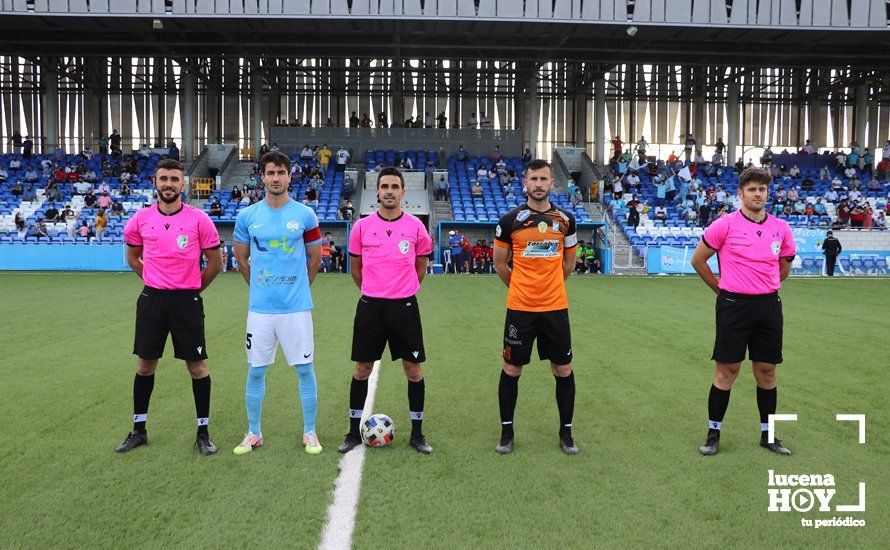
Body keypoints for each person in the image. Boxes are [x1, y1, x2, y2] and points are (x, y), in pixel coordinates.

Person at [115, 158, 223, 456]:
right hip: (152, 300)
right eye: (164, 179)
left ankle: (203, 433)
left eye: (174, 179)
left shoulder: (199, 220)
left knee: (197, 367)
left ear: (183, 184)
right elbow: (133, 257)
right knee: (145, 365)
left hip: (186, 301)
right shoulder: (140, 220)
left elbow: (216, 263)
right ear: (155, 182)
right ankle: (139, 430)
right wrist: (153, 280)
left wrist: (191, 290)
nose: (169, 184)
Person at [690, 167, 796, 457]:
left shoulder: (781, 227)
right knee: (727, 371)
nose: (757, 194)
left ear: (768, 193)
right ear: (741, 193)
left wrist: (767, 285)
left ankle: (768, 436)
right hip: (733, 306)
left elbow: (784, 264)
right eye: (752, 189)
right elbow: (698, 261)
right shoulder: (725, 225)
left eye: (762, 189)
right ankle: (713, 435)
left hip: (768, 306)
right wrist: (722, 291)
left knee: (767, 372)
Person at [231, 151, 324, 455]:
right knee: (256, 371)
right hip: (260, 311)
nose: (275, 178)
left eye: (281, 172)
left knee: (304, 370)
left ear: (289, 176)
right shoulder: (247, 217)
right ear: (262, 176)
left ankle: (310, 431)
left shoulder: (305, 215)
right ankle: (253, 432)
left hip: (296, 309)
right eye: (270, 172)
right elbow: (241, 259)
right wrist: (259, 289)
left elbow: (315, 258)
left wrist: (298, 289)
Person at [338, 167, 434, 455]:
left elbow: (421, 267)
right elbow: (356, 269)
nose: (389, 191)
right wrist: (375, 290)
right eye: (384, 187)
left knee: (413, 371)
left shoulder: (416, 227)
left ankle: (418, 434)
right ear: (377, 192)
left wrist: (404, 290)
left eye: (395, 186)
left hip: (404, 307)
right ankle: (353, 432)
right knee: (362, 369)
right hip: (371, 307)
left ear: (403, 192)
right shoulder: (361, 227)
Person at [492, 159, 579, 456]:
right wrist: (521, 288)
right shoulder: (509, 221)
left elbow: (569, 262)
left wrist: (550, 285)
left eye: (544, 179)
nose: (539, 184)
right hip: (520, 308)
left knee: (563, 368)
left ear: (552, 183)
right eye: (534, 179)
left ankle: (566, 434)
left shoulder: (566, 220)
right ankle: (506, 432)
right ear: (525, 184)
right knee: (511, 368)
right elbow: (500, 264)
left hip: (555, 307)